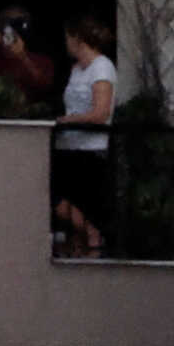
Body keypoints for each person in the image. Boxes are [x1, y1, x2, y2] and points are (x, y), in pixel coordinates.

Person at [52, 16, 118, 256]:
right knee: (60, 202)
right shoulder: (76, 69)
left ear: (78, 39)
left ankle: (92, 239)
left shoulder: (102, 67)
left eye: (68, 38)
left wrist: (69, 120)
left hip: (90, 147)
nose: (66, 44)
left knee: (84, 203)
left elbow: (101, 112)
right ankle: (80, 240)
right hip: (68, 145)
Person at [0, 3, 57, 102]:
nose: (11, 30)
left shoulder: (41, 60)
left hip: (28, 114)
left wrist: (23, 57)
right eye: (6, 23)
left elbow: (44, 85)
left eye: (18, 24)